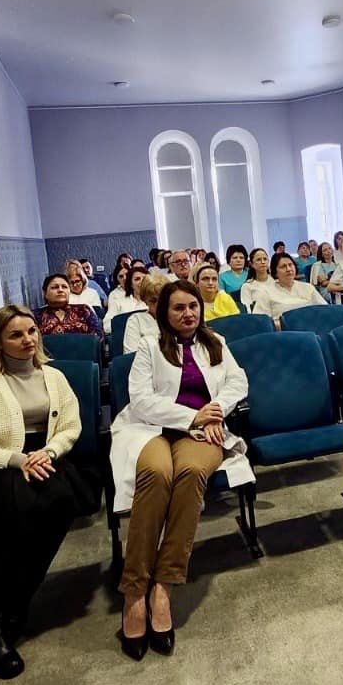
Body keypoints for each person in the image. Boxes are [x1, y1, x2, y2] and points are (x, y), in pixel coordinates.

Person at [110, 281, 254, 660]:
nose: (188, 313)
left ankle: (164, 587)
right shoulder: (149, 346)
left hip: (204, 432)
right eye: (178, 308)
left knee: (190, 473)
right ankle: (134, 592)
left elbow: (237, 380)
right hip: (152, 430)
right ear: (164, 313)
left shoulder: (215, 341)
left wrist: (215, 411)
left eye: (193, 306)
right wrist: (192, 415)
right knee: (157, 475)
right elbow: (141, 401)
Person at [0, 305, 100, 678]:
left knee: (58, 504)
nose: (28, 340)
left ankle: (17, 601)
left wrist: (48, 452)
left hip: (46, 459)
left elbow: (70, 426)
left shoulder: (54, 376)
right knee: (16, 522)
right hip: (1, 467)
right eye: (16, 335)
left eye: (32, 331)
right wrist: (16, 459)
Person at [253, 252, 327, 329]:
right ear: (275, 273)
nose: (288, 269)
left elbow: (325, 310)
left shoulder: (308, 287)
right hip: (284, 333)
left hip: (312, 329)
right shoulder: (265, 292)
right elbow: (260, 322)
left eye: (290, 265)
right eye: (283, 267)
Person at [34, 274, 104, 339]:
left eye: (64, 287)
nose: (60, 290)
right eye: (55, 287)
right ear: (45, 293)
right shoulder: (36, 315)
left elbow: (98, 339)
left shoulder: (84, 310)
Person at [124, 274, 170, 354]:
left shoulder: (176, 317)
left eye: (162, 299)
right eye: (153, 301)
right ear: (144, 300)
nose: (158, 305)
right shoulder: (136, 321)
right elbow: (131, 354)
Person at [104, 265, 147, 334]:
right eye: (137, 279)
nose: (141, 282)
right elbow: (107, 326)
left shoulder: (156, 303)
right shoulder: (118, 303)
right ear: (131, 284)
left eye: (145, 279)